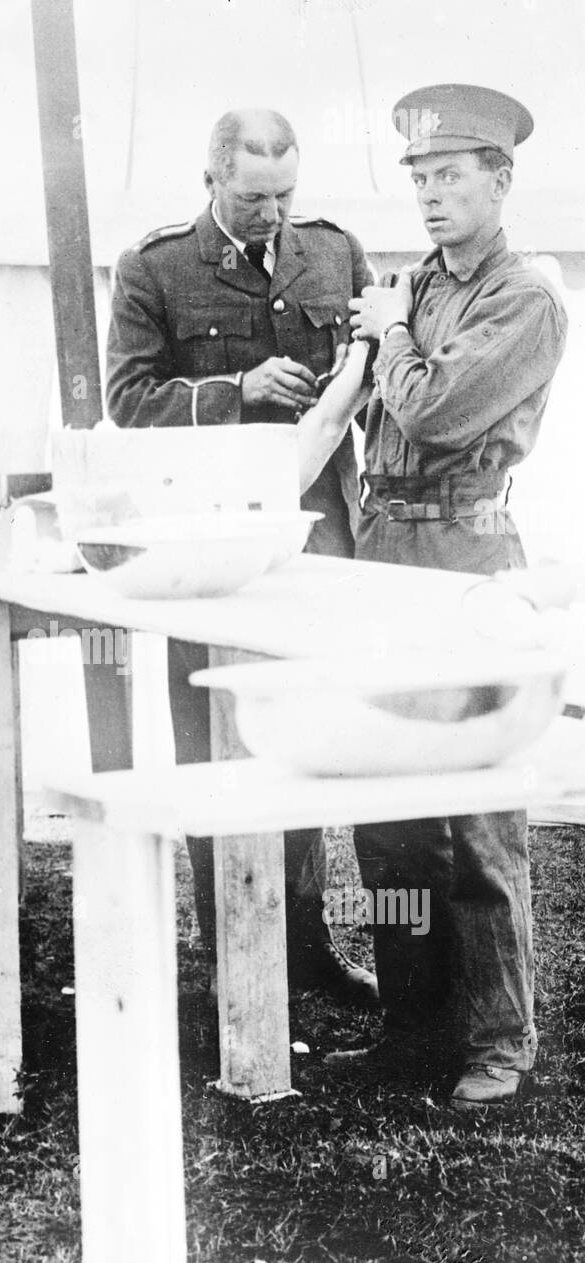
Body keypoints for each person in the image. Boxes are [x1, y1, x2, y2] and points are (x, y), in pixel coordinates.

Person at [325, 85, 568, 1109]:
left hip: (467, 554)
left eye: (451, 175)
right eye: (419, 177)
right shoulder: (414, 287)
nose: (429, 195)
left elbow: (433, 411)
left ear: (501, 180)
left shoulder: (526, 297)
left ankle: (498, 1038)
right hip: (386, 550)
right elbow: (378, 411)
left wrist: (387, 333)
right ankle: (413, 1022)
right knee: (390, 814)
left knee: (476, 813)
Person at [105, 108, 378, 1006]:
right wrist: (237, 390)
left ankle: (302, 942)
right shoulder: (156, 268)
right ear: (212, 177)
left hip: (316, 533)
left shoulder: (333, 255)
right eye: (254, 195)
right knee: (213, 744)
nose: (272, 213)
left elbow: (374, 372)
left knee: (300, 737)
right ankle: (229, 943)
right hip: (208, 545)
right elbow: (128, 401)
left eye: (286, 194)